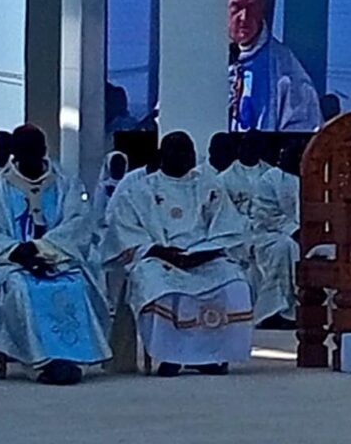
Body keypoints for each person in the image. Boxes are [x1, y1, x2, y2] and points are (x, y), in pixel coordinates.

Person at [0, 125, 110, 384]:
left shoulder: (65, 183)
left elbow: (78, 223)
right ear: (15, 153)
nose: (32, 155)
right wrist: (17, 251)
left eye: (36, 149)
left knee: (76, 284)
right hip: (11, 263)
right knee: (20, 289)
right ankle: (41, 364)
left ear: (44, 149)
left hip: (58, 258)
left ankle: (73, 359)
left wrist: (41, 249)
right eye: (25, 150)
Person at [105, 132, 252, 377]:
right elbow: (126, 231)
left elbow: (227, 226)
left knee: (235, 283)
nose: (184, 156)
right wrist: (162, 252)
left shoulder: (209, 186)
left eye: (188, 151)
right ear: (162, 155)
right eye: (177, 151)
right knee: (156, 285)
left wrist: (201, 253)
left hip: (203, 256)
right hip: (159, 257)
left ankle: (210, 356)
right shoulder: (141, 190)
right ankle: (170, 356)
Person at [228, 0, 323, 132]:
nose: (244, 17)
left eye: (251, 7)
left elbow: (305, 127)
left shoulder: (285, 68)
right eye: (236, 7)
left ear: (262, 8)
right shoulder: (202, 58)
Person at [250, 143, 303, 329]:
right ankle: (277, 312)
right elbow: (266, 214)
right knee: (285, 248)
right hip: (269, 234)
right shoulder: (270, 179)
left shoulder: (314, 177)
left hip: (308, 233)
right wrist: (294, 230)